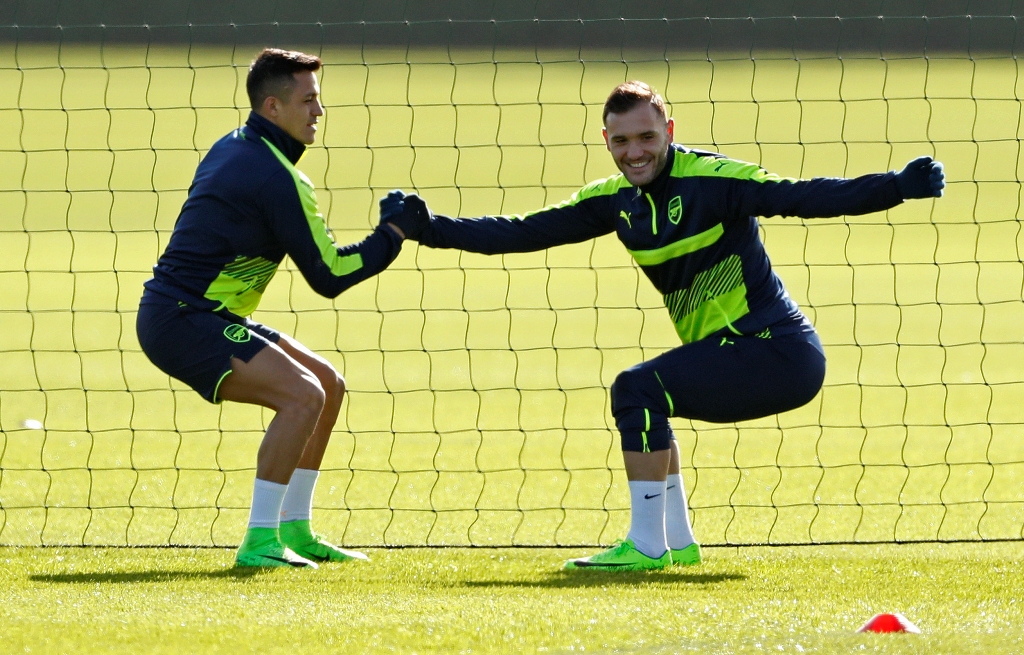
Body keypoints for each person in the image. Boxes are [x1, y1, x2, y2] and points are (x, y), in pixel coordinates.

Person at [407, 80, 945, 570]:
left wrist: (894, 186)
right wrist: (428, 228)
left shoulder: (715, 181)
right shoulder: (614, 202)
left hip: (776, 351)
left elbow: (804, 195)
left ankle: (644, 547)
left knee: (637, 387)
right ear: (606, 140)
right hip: (738, 352)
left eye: (645, 136)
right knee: (651, 399)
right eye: (621, 142)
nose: (634, 152)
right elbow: (521, 232)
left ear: (668, 131)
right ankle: (676, 541)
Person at [136, 49, 428, 569]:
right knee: (302, 396)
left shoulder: (239, 145)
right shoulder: (275, 177)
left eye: (320, 100)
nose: (319, 112)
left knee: (328, 385)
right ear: (273, 107)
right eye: (309, 100)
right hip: (181, 319)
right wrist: (394, 233)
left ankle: (296, 527)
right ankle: (260, 542)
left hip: (210, 314)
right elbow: (329, 276)